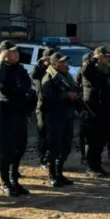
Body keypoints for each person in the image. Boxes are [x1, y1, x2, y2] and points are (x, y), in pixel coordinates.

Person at [0, 40, 36, 197]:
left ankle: (14, 179)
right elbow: (2, 88)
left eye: (17, 51)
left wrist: (27, 108)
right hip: (6, 114)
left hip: (20, 113)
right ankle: (5, 182)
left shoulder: (20, 69)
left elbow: (27, 88)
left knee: (20, 147)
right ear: (4, 54)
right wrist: (1, 62)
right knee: (6, 150)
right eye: (12, 52)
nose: (16, 54)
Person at [38, 53, 78, 188]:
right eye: (61, 62)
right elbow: (48, 98)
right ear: (54, 64)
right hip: (54, 117)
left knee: (65, 146)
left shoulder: (67, 77)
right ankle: (52, 175)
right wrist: (66, 96)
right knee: (54, 147)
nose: (65, 64)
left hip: (67, 115)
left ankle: (59, 173)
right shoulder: (49, 78)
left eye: (65, 62)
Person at [81, 46, 110, 177]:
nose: (108, 59)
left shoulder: (106, 69)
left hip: (104, 108)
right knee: (92, 140)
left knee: (101, 140)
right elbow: (86, 71)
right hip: (92, 109)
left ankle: (97, 165)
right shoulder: (90, 68)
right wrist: (94, 59)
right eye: (105, 56)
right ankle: (91, 167)